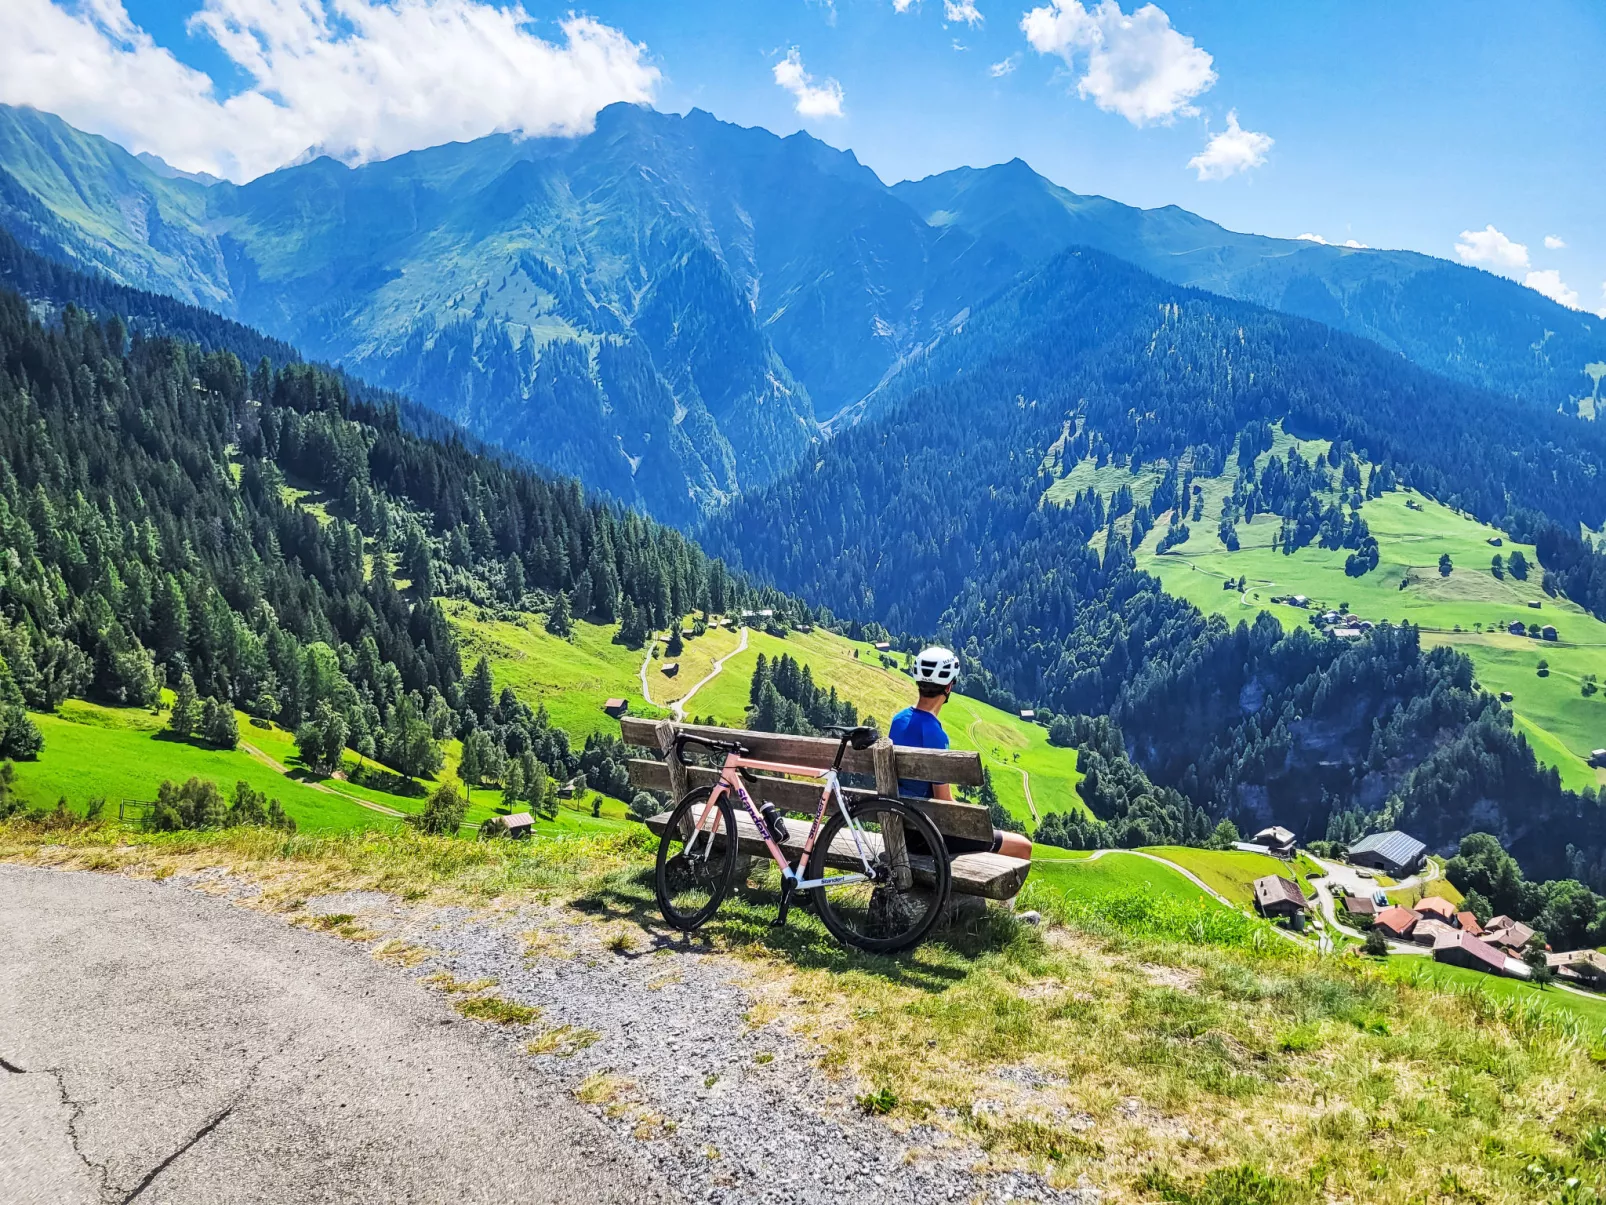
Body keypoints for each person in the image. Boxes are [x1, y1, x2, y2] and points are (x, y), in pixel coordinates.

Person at [889, 646, 1033, 861]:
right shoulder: (935, 734)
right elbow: (944, 802)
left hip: (899, 827)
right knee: (1022, 846)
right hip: (927, 835)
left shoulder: (898, 720)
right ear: (949, 686)